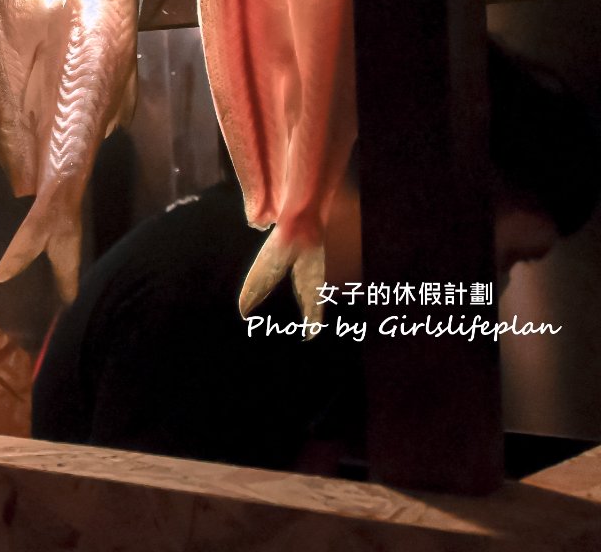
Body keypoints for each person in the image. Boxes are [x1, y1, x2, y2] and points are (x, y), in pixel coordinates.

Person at [31, 42, 601, 471]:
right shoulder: (215, 293)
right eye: (504, 259)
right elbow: (153, 528)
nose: (492, 293)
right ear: (432, 195)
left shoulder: (326, 298)